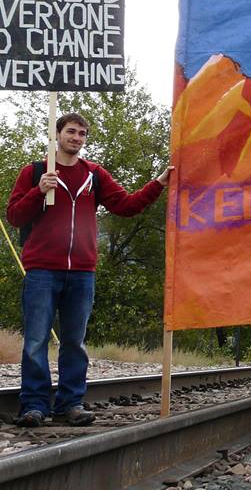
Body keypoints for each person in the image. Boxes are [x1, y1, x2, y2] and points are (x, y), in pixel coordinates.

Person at [7, 113, 173, 427]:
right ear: (57, 134)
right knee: (35, 341)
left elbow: (125, 205)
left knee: (74, 342)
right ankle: (34, 406)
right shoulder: (35, 172)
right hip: (42, 270)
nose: (77, 138)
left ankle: (71, 404)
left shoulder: (93, 175)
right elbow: (14, 216)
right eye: (71, 132)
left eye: (82, 134)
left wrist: (158, 183)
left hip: (82, 271)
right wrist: (39, 191)